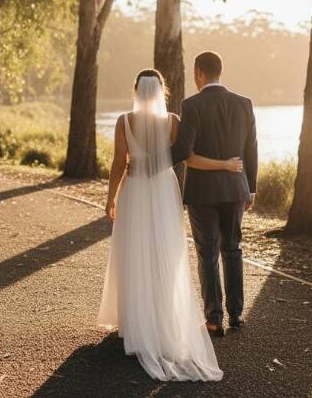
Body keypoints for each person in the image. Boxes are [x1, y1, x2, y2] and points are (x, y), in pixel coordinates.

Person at [97, 68, 243, 382]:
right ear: (162, 90)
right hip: (163, 191)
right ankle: (163, 318)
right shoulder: (174, 121)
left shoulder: (125, 121)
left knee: (135, 252)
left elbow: (118, 164)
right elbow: (182, 156)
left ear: (136, 90)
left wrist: (111, 198)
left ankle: (134, 321)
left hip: (135, 190)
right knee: (165, 251)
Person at [171, 51, 258, 337]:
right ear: (220, 71)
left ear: (198, 72)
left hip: (202, 192)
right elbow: (251, 150)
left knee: (207, 254)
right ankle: (236, 315)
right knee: (232, 250)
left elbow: (183, 151)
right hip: (236, 189)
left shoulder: (191, 105)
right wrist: (252, 187)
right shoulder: (244, 104)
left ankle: (214, 319)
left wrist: (150, 159)